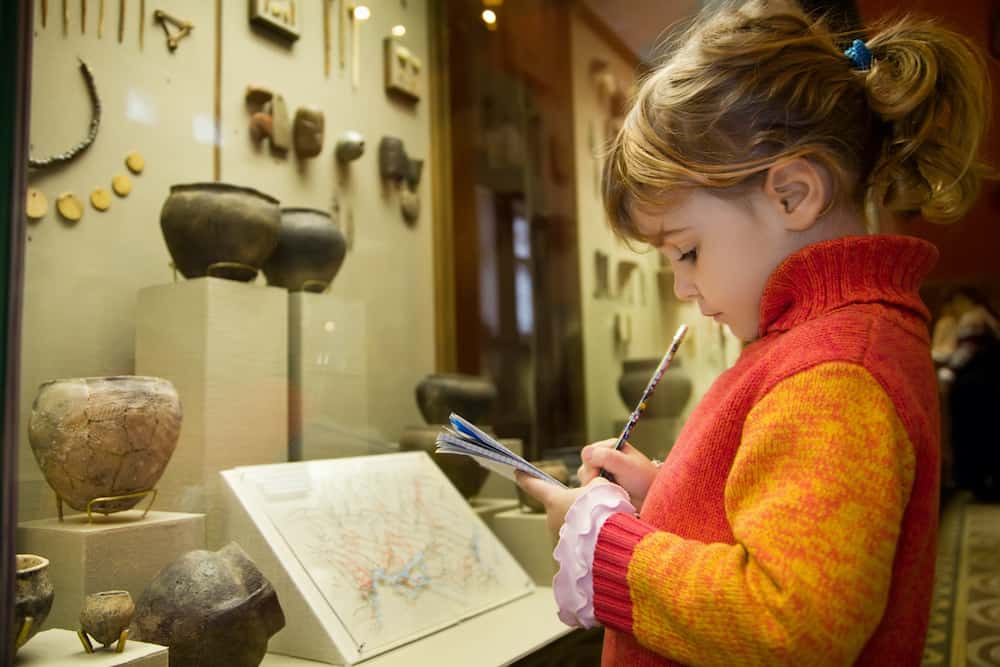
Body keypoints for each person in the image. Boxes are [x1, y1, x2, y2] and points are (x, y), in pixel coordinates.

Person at [515, 1, 990, 665]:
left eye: (686, 250)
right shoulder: (816, 343)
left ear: (793, 194)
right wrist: (667, 495)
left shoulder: (834, 373)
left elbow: (791, 623)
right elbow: (781, 518)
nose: (682, 285)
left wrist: (605, 549)